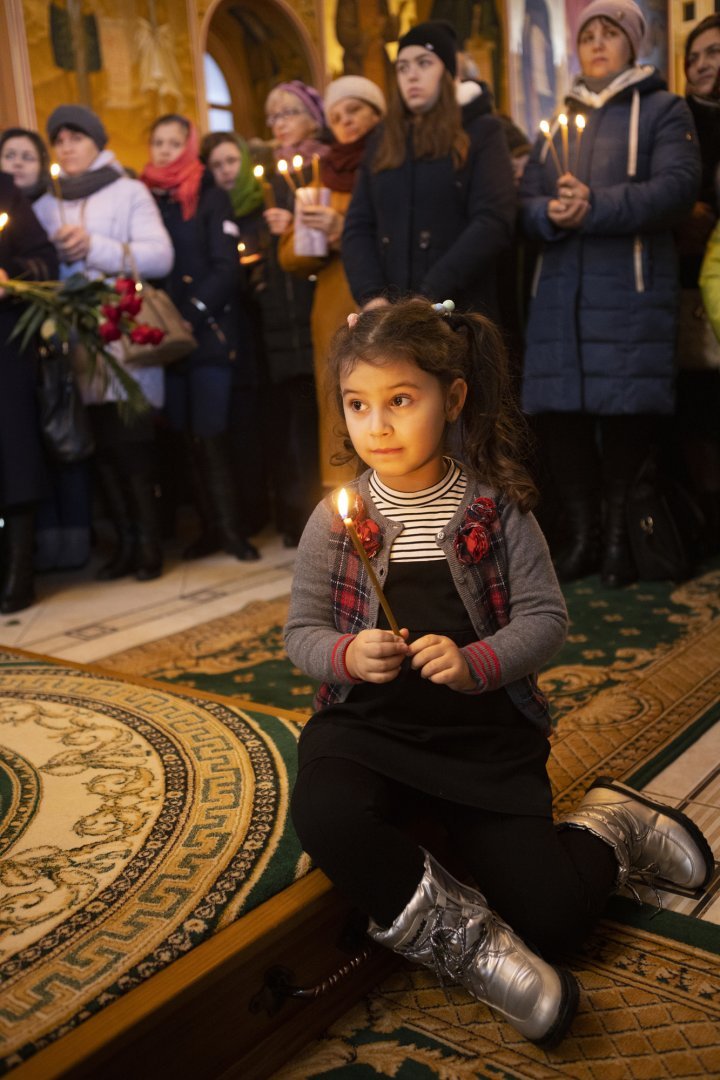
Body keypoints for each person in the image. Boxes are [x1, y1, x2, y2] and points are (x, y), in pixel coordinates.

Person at [284, 299, 714, 1046]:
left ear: (453, 399)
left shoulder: (496, 508)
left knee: (555, 917)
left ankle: (613, 827)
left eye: (400, 401)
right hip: (365, 729)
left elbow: (547, 621)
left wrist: (477, 661)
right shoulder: (336, 520)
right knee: (325, 816)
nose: (376, 426)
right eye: (357, 405)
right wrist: (347, 655)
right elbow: (299, 635)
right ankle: (472, 947)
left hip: (480, 737)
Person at [520, 0, 701, 586]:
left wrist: (594, 205)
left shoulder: (663, 110)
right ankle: (584, 541)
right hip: (560, 298)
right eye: (587, 35)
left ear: (634, 45)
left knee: (625, 419)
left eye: (609, 34)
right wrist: (548, 210)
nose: (596, 44)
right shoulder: (558, 121)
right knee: (566, 420)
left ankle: (624, 541)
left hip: (629, 290)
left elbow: (676, 189)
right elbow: (523, 206)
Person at [33, 104, 174, 581]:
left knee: (131, 445)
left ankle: (150, 545)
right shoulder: (46, 201)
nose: (67, 147)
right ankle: (125, 545)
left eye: (76, 137)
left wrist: (94, 246)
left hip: (124, 338)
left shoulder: (128, 189)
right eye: (59, 140)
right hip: (74, 344)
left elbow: (160, 256)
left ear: (97, 141)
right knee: (100, 451)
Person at [141, 115, 259, 562]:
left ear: (189, 148)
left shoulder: (210, 196)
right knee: (186, 437)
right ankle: (209, 529)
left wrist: (188, 314)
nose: (166, 150)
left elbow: (226, 269)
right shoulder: (148, 199)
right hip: (166, 340)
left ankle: (234, 531)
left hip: (206, 334)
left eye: (175, 142)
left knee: (212, 434)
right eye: (158, 141)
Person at [342, 20, 515, 319]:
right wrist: (371, 297)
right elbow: (358, 225)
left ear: (448, 72)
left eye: (424, 63)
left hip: (458, 311)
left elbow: (493, 221)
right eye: (403, 67)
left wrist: (430, 293)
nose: (412, 76)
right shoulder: (383, 140)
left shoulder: (481, 131)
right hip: (391, 318)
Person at [278, 75, 386, 489]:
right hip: (331, 312)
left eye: (355, 109)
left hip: (376, 300)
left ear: (376, 113)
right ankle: (349, 506)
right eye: (337, 115)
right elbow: (289, 255)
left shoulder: (385, 167)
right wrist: (311, 236)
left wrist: (344, 230)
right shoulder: (321, 178)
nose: (347, 121)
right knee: (341, 406)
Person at [258, 81, 329, 546]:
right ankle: (298, 519)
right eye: (273, 115)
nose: (279, 123)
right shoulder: (265, 177)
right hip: (276, 316)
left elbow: (323, 244)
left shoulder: (324, 167)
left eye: (289, 113)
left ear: (312, 117)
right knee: (292, 429)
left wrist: (294, 231)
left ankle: (326, 521)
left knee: (322, 423)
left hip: (315, 312)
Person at [200, 130, 270, 538]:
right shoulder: (212, 214)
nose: (225, 171)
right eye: (216, 165)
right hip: (234, 332)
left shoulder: (265, 206)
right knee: (243, 423)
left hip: (266, 326)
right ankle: (250, 509)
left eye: (231, 162)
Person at [0, 174, 58, 613]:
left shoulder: (5, 190)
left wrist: (10, 275)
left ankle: (20, 572)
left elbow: (44, 261)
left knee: (13, 453)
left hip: (5, 343)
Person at [674, 14, 720, 556]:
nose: (705, 64)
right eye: (697, 56)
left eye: (715, 52)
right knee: (697, 407)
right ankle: (704, 517)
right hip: (687, 285)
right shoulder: (677, 118)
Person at [0, 127, 50, 203]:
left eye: (28, 157)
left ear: (42, 166)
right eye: (10, 156)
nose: (18, 163)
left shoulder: (55, 208)